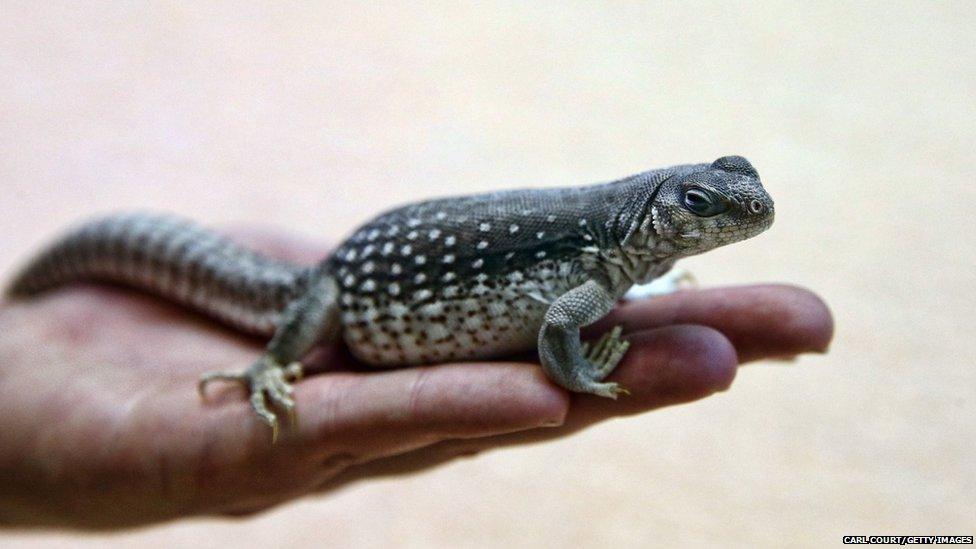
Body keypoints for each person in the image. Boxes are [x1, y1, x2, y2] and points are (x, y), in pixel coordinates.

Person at [0, 230, 832, 529]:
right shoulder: (588, 263)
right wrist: (273, 362)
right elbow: (554, 329)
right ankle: (265, 360)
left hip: (351, 278)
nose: (738, 218)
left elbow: (565, 302)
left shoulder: (608, 259)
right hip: (331, 292)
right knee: (287, 312)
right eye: (700, 205)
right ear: (654, 214)